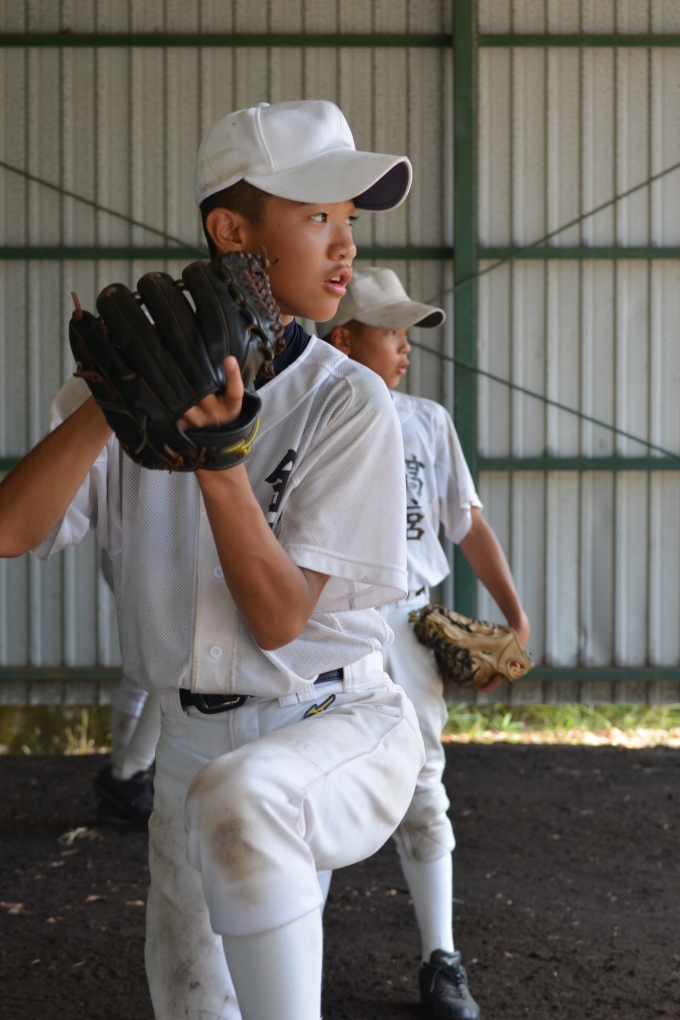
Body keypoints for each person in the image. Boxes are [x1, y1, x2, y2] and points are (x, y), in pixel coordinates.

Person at [0, 100, 426, 1020]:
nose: (345, 245)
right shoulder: (130, 388)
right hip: (190, 739)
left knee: (244, 802)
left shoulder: (349, 401)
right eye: (317, 216)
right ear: (232, 232)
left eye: (350, 219)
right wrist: (111, 394)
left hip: (332, 720)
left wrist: (220, 458)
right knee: (193, 999)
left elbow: (278, 619)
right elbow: (12, 529)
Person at [321, 266, 531, 1020]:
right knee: (312, 789)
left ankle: (441, 959)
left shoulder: (426, 421)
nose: (405, 347)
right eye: (390, 332)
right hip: (323, 625)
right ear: (344, 340)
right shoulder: (299, 413)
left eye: (408, 334)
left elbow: (465, 521)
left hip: (407, 622)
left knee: (421, 786)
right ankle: (292, 963)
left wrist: (514, 611)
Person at [96, 549, 160, 828]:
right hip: (153, 561)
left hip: (125, 553)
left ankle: (122, 778)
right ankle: (128, 777)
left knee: (142, 667)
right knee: (173, 669)